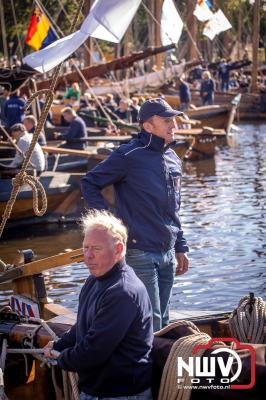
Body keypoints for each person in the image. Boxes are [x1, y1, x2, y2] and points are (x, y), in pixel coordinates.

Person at [81, 98, 189, 332]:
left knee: (165, 319)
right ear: (148, 126)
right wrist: (111, 224)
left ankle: (161, 366)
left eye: (174, 120)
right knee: (153, 320)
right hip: (139, 251)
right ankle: (147, 367)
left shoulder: (173, 158)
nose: (174, 125)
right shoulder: (128, 155)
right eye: (167, 120)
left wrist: (180, 245)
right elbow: (89, 183)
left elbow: (174, 207)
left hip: (168, 251)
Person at [43, 210, 153, 400]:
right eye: (85, 248)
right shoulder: (94, 280)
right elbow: (83, 327)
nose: (88, 256)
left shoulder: (122, 292)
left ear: (118, 250)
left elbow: (92, 352)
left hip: (121, 394)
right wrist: (59, 344)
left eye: (96, 248)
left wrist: (60, 358)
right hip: (97, 390)